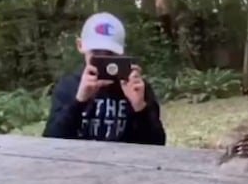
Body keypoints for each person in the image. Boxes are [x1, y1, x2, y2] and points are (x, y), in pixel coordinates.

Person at [42, 12, 167, 145]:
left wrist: (140, 107)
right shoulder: (69, 86)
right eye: (96, 53)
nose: (103, 59)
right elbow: (51, 140)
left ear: (121, 52)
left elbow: (157, 145)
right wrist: (79, 101)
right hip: (80, 163)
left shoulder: (136, 87)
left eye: (109, 53)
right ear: (80, 46)